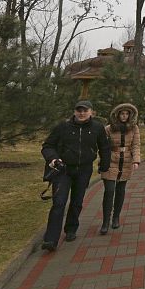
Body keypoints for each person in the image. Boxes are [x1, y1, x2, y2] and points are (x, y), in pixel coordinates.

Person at [40, 100, 110, 251]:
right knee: (59, 203)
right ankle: (50, 239)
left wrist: (104, 165)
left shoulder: (97, 128)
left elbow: (104, 147)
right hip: (63, 170)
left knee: (77, 201)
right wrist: (53, 158)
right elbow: (47, 146)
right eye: (79, 110)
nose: (82, 113)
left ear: (91, 112)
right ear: (74, 112)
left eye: (85, 110)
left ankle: (71, 228)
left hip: (84, 170)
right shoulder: (63, 127)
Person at [100, 103, 141, 235]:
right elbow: (102, 146)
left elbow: (136, 145)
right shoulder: (108, 128)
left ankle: (116, 217)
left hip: (126, 162)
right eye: (122, 114)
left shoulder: (134, 128)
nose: (124, 116)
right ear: (117, 115)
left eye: (126, 114)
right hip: (110, 161)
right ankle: (105, 221)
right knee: (109, 191)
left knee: (120, 190)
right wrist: (102, 160)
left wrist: (136, 160)